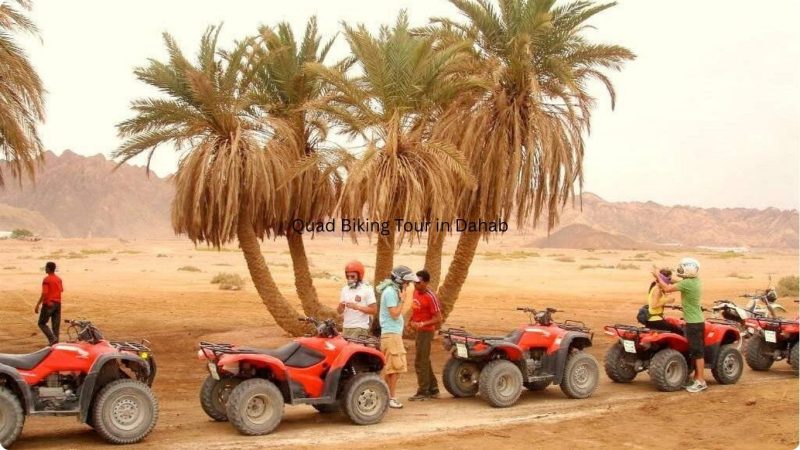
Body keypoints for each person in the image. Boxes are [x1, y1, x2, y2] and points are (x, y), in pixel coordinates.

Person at [653, 257, 705, 393]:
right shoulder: (694, 281)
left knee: (697, 352)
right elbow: (675, 281)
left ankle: (701, 381)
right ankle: (696, 378)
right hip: (695, 321)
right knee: (694, 351)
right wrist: (663, 277)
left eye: (682, 269)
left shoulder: (687, 284)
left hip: (694, 323)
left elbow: (667, 288)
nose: (680, 271)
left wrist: (658, 274)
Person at [376, 265, 418, 409]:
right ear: (400, 281)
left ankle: (384, 395)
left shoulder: (393, 290)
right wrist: (403, 299)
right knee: (394, 368)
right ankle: (390, 397)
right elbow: (394, 314)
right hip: (391, 335)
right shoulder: (389, 292)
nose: (408, 285)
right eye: (407, 282)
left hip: (393, 334)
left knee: (393, 368)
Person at [408, 270, 443, 401]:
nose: (416, 285)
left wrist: (423, 323)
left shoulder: (430, 296)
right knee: (424, 360)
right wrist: (411, 321)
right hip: (419, 330)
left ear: (426, 282)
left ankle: (423, 391)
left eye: (419, 282)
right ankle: (433, 389)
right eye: (415, 282)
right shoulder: (415, 292)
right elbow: (415, 309)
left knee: (420, 361)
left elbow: (438, 318)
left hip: (427, 331)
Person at [337, 260, 377, 338]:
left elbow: (374, 310)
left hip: (360, 328)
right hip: (346, 327)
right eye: (348, 276)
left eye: (352, 276)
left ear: (360, 276)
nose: (350, 279)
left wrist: (357, 307)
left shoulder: (367, 289)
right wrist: (341, 307)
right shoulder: (345, 289)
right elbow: (339, 311)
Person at [35, 261, 64, 345]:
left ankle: (52, 339)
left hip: (48, 304)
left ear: (48, 268)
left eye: (46, 267)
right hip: (58, 303)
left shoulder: (46, 279)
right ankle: (55, 344)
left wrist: (38, 304)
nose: (45, 269)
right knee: (55, 326)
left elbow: (44, 293)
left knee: (41, 323)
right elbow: (61, 290)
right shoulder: (59, 279)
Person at [645, 268, 680, 333]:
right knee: (679, 331)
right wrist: (667, 300)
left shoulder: (657, 287)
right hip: (655, 321)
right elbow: (654, 305)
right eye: (669, 278)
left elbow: (674, 282)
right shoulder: (657, 290)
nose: (670, 281)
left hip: (656, 319)